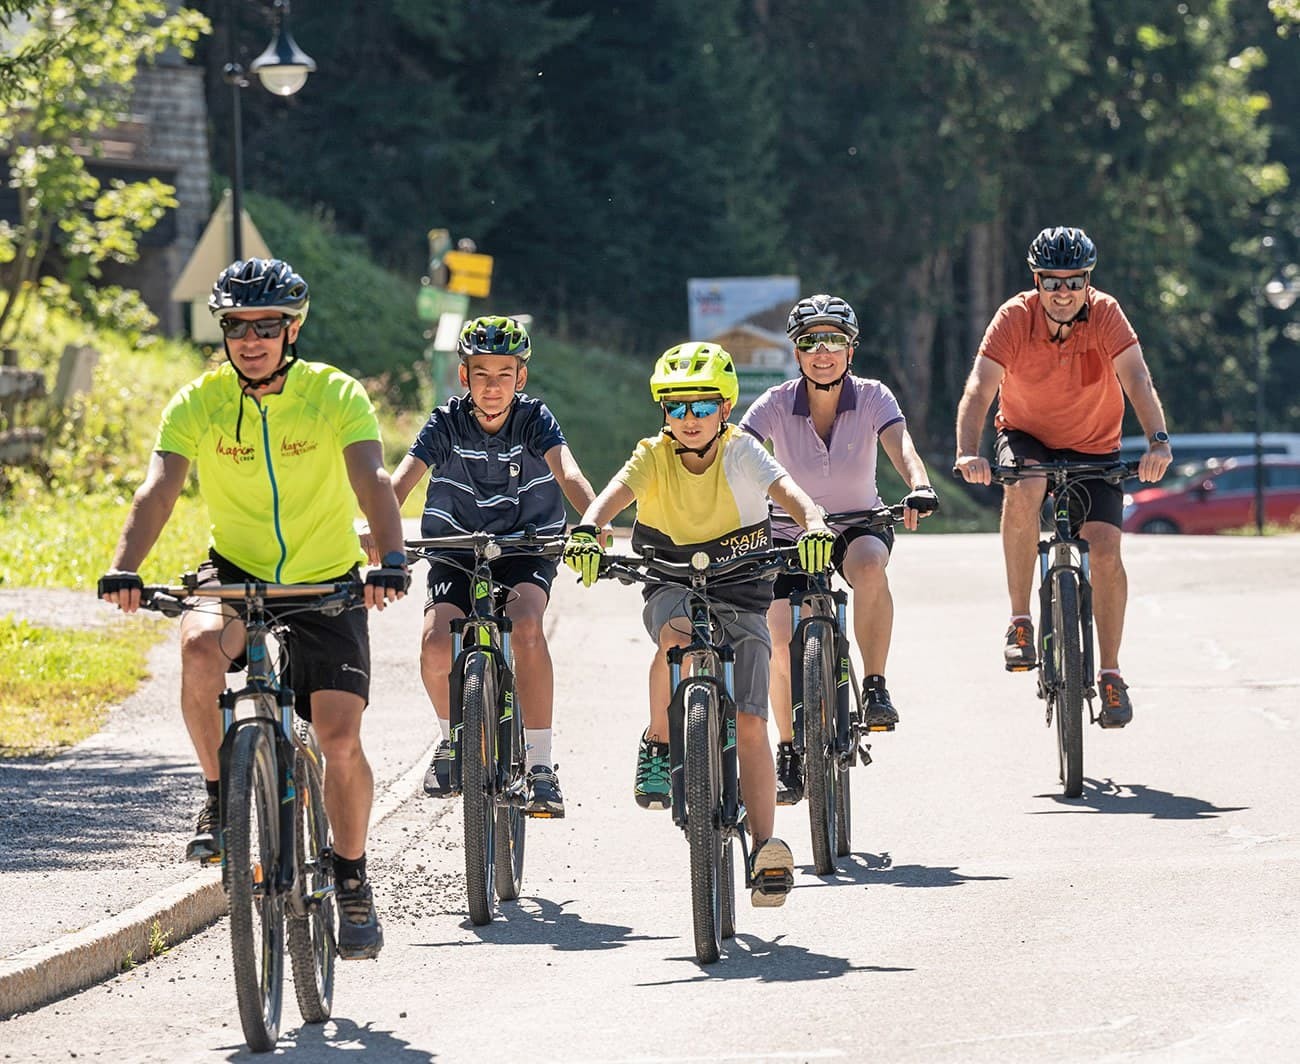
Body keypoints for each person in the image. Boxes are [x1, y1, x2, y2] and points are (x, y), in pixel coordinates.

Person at [98, 257, 409, 961]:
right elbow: (159, 489)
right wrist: (124, 567)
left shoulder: (334, 394)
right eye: (238, 325)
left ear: (291, 329)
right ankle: (219, 794)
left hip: (326, 580)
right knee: (198, 647)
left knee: (337, 742)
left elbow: (372, 477)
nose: (251, 338)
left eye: (267, 325)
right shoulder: (199, 402)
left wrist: (388, 561)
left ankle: (352, 878)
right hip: (235, 574)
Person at [562, 341, 835, 906]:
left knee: (754, 722)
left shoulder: (743, 452)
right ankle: (660, 742)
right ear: (664, 413)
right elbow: (611, 497)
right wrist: (588, 530)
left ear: (725, 410)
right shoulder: (652, 456)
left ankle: (765, 850)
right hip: (672, 583)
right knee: (676, 638)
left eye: (702, 406)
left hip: (742, 591)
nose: (689, 419)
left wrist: (812, 524)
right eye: (677, 407)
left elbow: (793, 495)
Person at [380, 315, 599, 818]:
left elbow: (567, 472)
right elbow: (401, 481)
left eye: (504, 374)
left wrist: (591, 523)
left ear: (520, 378)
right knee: (436, 641)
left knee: (525, 629)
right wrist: (379, 524)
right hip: (456, 548)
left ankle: (541, 767)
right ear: (464, 377)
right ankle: (450, 740)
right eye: (481, 373)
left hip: (526, 546)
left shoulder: (535, 418)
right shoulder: (445, 422)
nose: (493, 385)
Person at [954, 227, 1172, 727]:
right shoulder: (1014, 316)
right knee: (1025, 485)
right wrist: (969, 451)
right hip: (1026, 433)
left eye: (1074, 282)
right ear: (1037, 281)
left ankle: (1111, 674)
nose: (1063, 292)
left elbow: (1136, 378)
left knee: (1107, 552)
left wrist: (1157, 441)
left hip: (1095, 444)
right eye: (1053, 282)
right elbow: (981, 387)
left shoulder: (1107, 314)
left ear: (1087, 283)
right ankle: (1020, 622)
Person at [739, 293, 939, 804]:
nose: (822, 352)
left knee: (871, 566)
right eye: (810, 342)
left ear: (851, 349)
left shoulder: (873, 396)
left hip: (858, 523)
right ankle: (788, 748)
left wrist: (917, 485)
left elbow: (902, 448)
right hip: (789, 531)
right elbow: (735, 456)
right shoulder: (775, 403)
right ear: (796, 352)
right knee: (778, 633)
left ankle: (874, 686)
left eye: (833, 341)